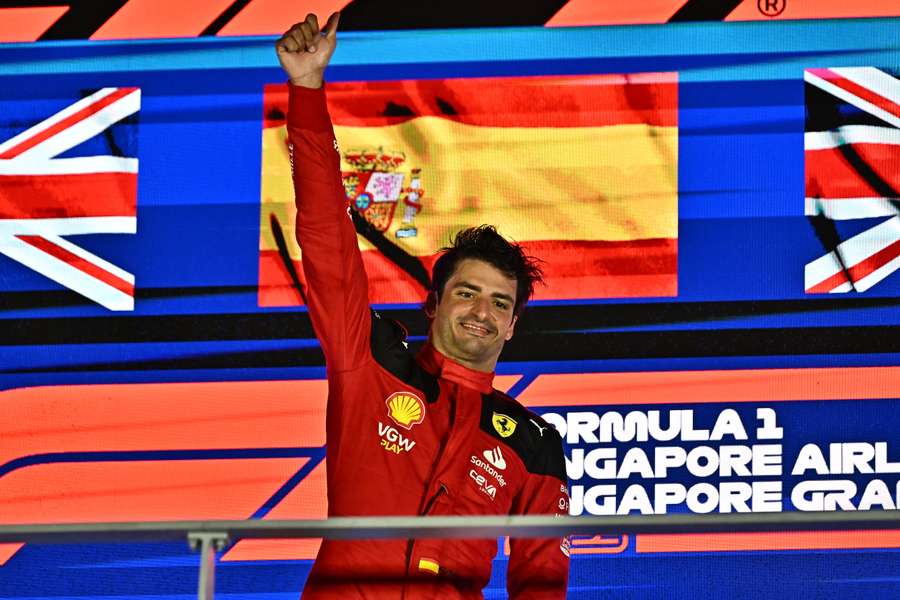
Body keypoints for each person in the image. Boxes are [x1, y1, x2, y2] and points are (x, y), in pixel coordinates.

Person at [277, 13, 570, 599]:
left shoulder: (534, 444)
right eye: (467, 292)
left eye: (498, 302)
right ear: (432, 303)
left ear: (512, 326)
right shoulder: (372, 362)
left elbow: (542, 582)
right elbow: (329, 242)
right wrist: (307, 91)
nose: (481, 312)